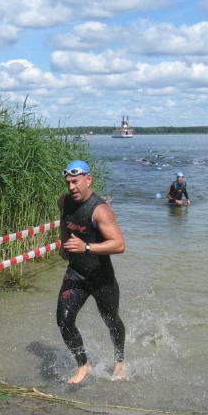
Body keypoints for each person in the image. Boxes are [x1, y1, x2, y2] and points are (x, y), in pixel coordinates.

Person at [57, 159, 127, 384]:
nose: (71, 187)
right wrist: (64, 245)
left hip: (101, 276)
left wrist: (86, 247)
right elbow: (64, 222)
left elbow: (119, 245)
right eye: (68, 182)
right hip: (76, 273)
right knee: (64, 320)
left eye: (75, 182)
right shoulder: (64, 201)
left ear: (88, 180)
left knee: (111, 320)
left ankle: (119, 360)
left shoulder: (100, 210)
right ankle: (83, 364)